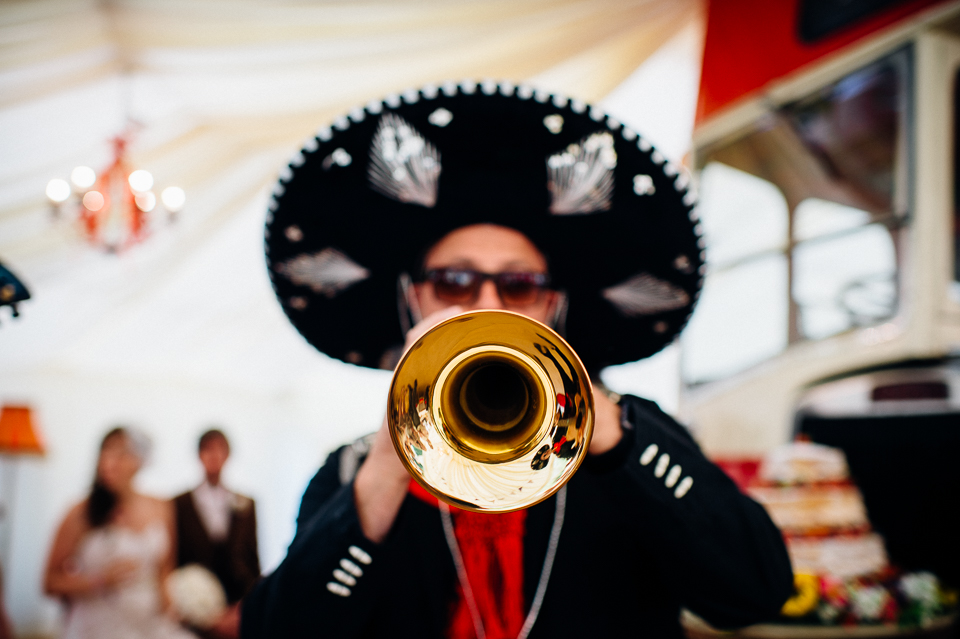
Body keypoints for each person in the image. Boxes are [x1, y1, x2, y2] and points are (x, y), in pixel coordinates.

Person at [242, 82, 795, 638]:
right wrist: (387, 463)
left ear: (551, 305)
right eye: (454, 280)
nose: (487, 306)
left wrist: (609, 429)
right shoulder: (348, 471)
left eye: (519, 284)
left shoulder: (632, 439)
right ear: (414, 300)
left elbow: (755, 591)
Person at [44, 427, 196, 639]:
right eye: (105, 451)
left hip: (150, 624)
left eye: (120, 453)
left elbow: (164, 570)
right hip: (97, 626)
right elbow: (49, 582)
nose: (109, 460)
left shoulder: (161, 506)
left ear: (140, 460)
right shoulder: (81, 512)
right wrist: (100, 580)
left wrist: (174, 607)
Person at [173, 429, 259, 638]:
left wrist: (250, 603)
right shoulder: (179, 504)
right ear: (199, 455)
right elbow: (174, 558)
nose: (214, 456)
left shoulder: (246, 504)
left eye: (220, 450)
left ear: (228, 456)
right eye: (208, 450)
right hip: (195, 605)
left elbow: (253, 558)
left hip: (237, 605)